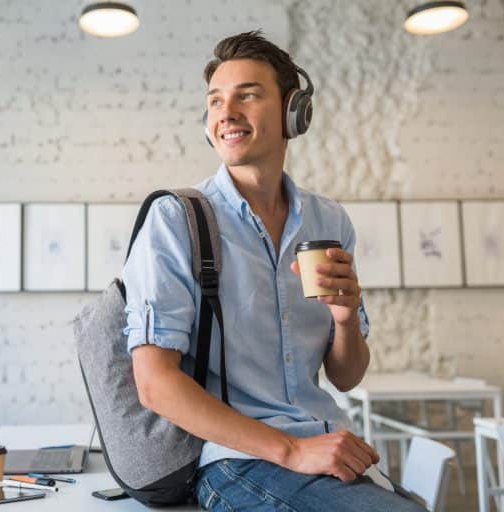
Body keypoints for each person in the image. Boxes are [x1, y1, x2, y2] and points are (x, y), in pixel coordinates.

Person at [121, 31, 425, 511]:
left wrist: (346, 319)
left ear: (293, 112)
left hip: (326, 447)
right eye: (216, 101)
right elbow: (154, 382)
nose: (226, 113)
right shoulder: (177, 219)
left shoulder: (329, 222)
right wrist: (292, 450)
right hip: (238, 460)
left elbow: (346, 377)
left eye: (247, 95)